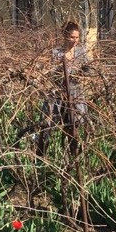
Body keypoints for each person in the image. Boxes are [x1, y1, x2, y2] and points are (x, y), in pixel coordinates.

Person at [35, 21, 91, 158]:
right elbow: (51, 72)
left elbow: (89, 69)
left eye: (77, 37)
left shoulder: (81, 52)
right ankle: (41, 153)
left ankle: (73, 154)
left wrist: (80, 72)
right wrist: (60, 71)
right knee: (48, 121)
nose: (75, 40)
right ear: (65, 36)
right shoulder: (56, 53)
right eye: (72, 37)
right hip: (58, 91)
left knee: (75, 122)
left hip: (75, 91)